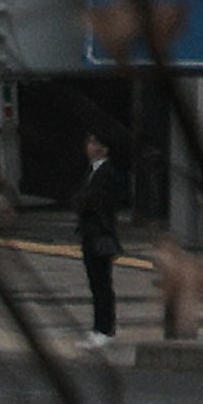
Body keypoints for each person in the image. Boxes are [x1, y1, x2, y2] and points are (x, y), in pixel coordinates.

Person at [73, 130, 131, 344]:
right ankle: (99, 327)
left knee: (102, 284)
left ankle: (105, 329)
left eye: (94, 143)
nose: (89, 146)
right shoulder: (91, 171)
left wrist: (83, 202)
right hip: (90, 235)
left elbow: (94, 202)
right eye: (89, 142)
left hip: (100, 235)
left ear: (104, 148)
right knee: (95, 284)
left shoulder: (107, 172)